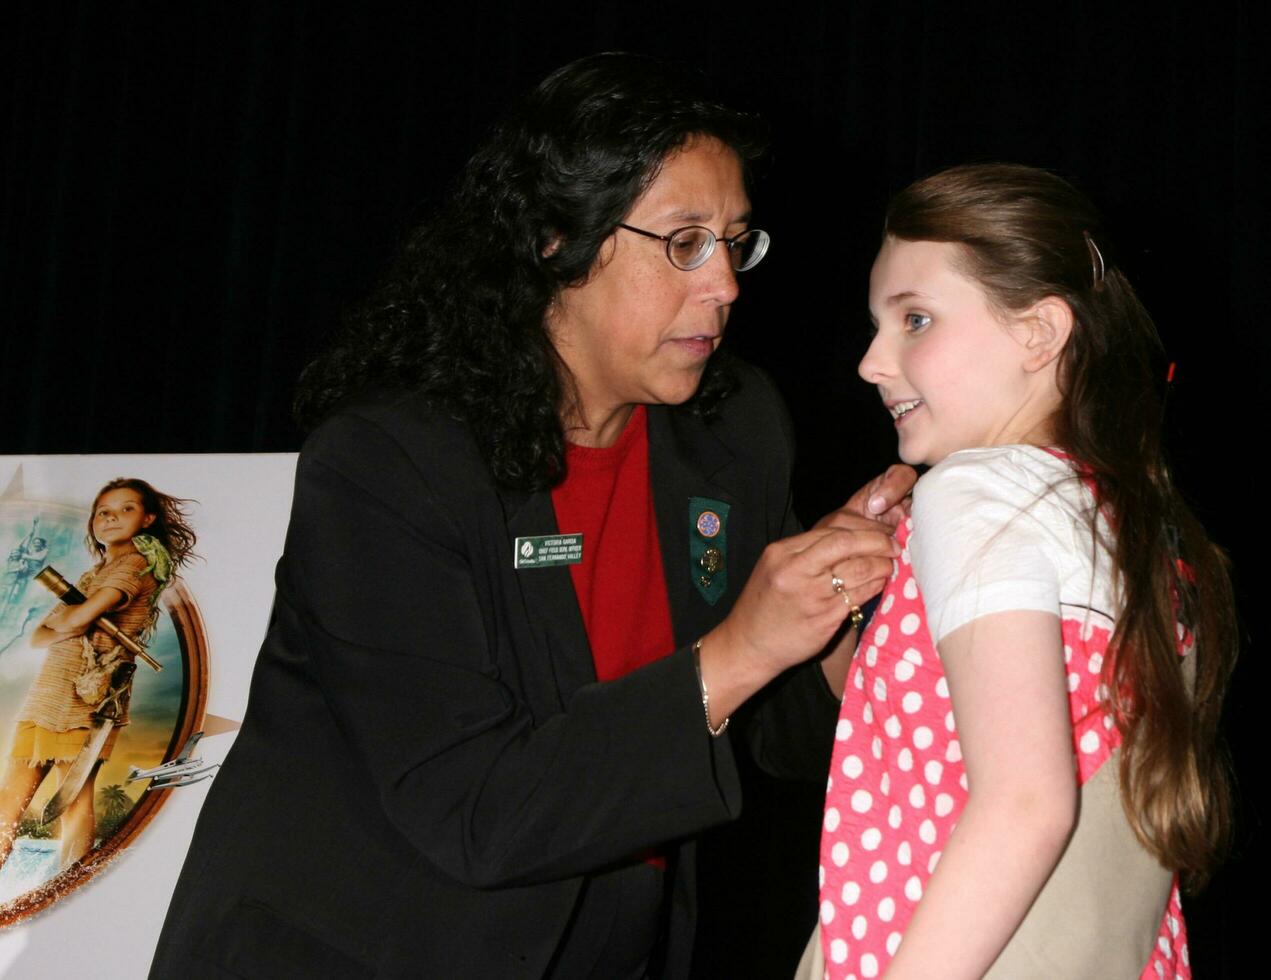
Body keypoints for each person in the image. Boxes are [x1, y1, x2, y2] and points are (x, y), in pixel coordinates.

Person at [150, 54, 914, 979]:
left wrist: (843, 600)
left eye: (736, 242)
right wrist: (744, 645)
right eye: (683, 243)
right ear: (558, 240)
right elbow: (474, 807)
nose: (725, 285)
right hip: (365, 948)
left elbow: (764, 732)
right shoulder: (391, 463)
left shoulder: (733, 427)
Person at [803, 164, 1237, 979]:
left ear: (1040, 332)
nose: (870, 361)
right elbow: (928, 727)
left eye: (916, 320)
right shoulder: (1125, 520)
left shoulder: (973, 492)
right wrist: (865, 603)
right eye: (876, 325)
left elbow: (1026, 803)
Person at [0, 478, 195, 871]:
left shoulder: (138, 564)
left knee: (72, 799)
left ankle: (71, 887)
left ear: (148, 518)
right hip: (51, 692)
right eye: (103, 512)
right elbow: (40, 636)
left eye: (126, 509)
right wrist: (72, 621)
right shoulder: (95, 573)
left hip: (87, 696)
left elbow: (82, 616)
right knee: (10, 798)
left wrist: (73, 620)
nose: (111, 518)